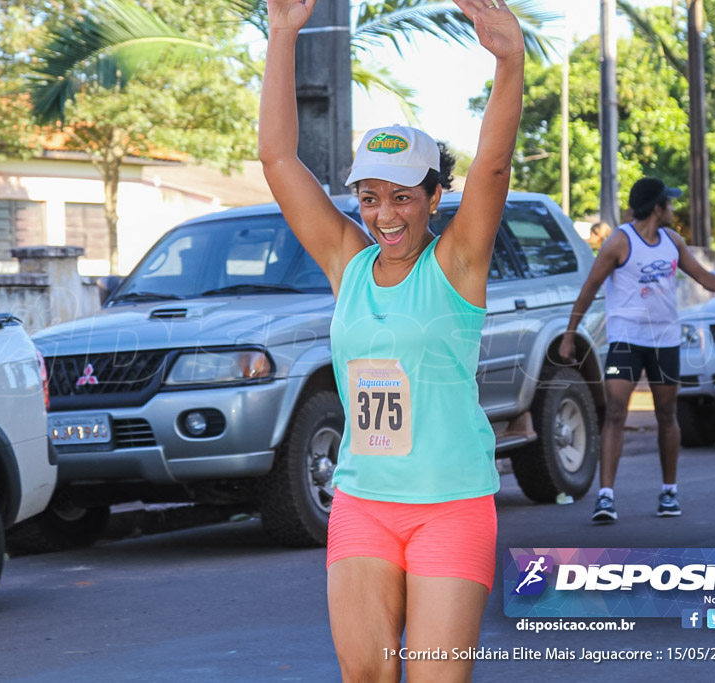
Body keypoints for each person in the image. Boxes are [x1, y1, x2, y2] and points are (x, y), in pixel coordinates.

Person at [259, 0, 524, 680]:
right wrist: (283, 33)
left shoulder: (457, 263)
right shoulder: (347, 262)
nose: (385, 213)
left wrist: (509, 63)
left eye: (403, 196)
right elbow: (278, 158)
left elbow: (492, 169)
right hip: (364, 503)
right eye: (370, 196)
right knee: (367, 676)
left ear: (435, 197)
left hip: (451, 506)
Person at [559, 177, 715, 524]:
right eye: (670, 203)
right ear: (657, 208)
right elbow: (590, 288)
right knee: (616, 412)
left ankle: (669, 491)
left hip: (665, 341)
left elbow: (702, 277)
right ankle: (606, 497)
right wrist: (569, 335)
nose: (674, 209)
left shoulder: (672, 241)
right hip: (625, 341)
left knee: (667, 414)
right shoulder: (619, 242)